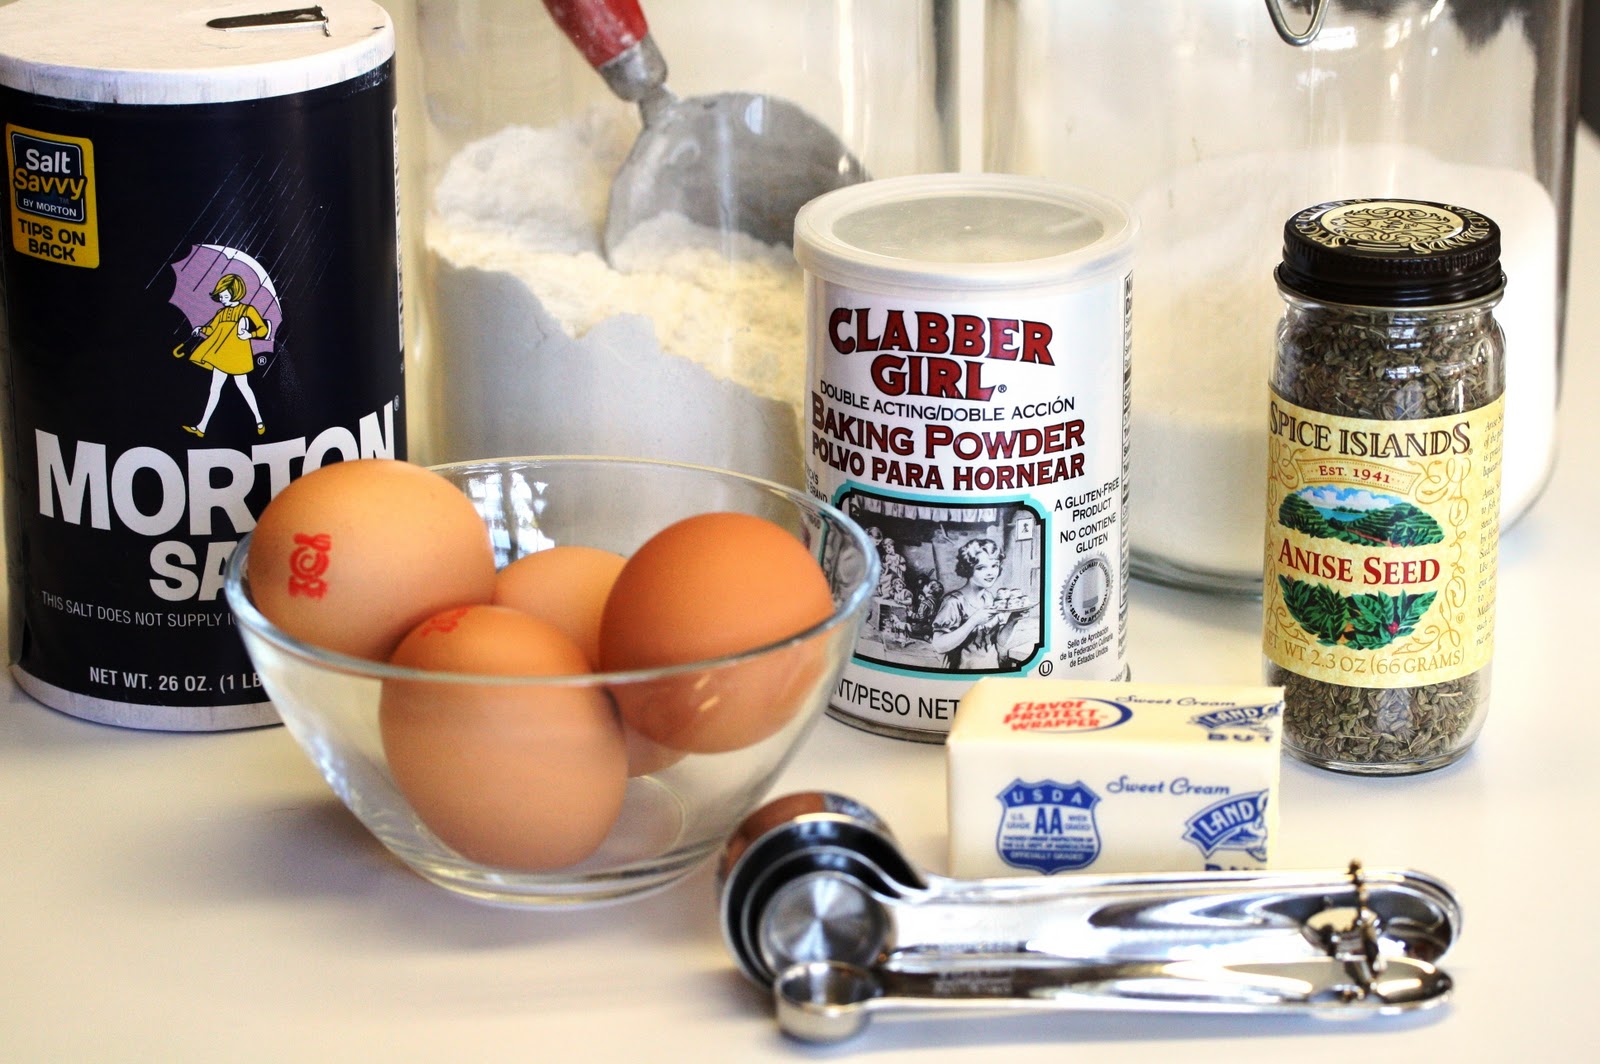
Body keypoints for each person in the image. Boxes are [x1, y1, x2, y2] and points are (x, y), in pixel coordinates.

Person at [177, 272, 268, 438]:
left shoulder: (247, 310)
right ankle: (202, 427)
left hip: (238, 354)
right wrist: (200, 330)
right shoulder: (221, 313)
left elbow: (262, 329)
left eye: (225, 295)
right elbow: (211, 329)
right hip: (221, 354)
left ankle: (259, 420)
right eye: (221, 296)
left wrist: (250, 334)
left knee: (244, 387)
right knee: (214, 389)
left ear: (235, 293)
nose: (222, 299)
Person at [929, 538, 1032, 670]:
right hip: (961, 672)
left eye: (994, 565)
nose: (990, 572)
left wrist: (1013, 620)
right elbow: (939, 645)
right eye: (981, 567)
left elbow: (1000, 641)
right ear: (968, 569)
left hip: (991, 668)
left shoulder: (989, 598)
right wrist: (974, 621)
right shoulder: (953, 602)